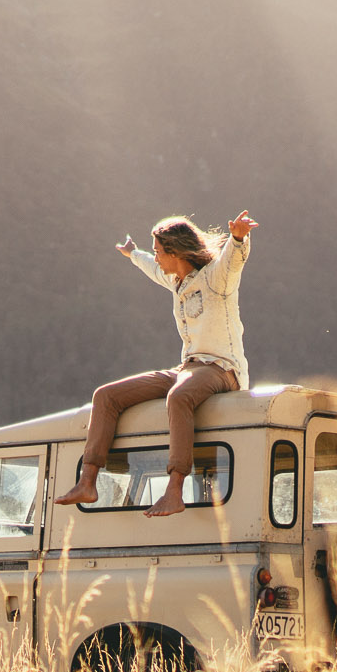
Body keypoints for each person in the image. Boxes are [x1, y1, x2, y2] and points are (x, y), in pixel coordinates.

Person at [54, 210, 258, 517]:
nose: (157, 257)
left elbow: (233, 260)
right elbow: (151, 268)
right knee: (106, 396)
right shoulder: (177, 280)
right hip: (187, 367)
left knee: (179, 397)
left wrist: (239, 237)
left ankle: (174, 489)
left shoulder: (216, 278)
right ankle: (88, 481)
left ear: (175, 252)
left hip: (221, 369)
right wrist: (131, 253)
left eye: (159, 252)